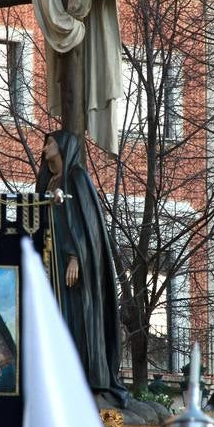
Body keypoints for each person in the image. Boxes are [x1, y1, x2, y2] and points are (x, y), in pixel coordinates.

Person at [36, 130, 128, 408]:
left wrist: (77, 258)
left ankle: (85, 378)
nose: (45, 147)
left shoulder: (76, 178)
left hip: (74, 266)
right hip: (49, 262)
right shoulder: (47, 182)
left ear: (64, 146)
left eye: (50, 142)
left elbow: (88, 227)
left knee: (77, 316)